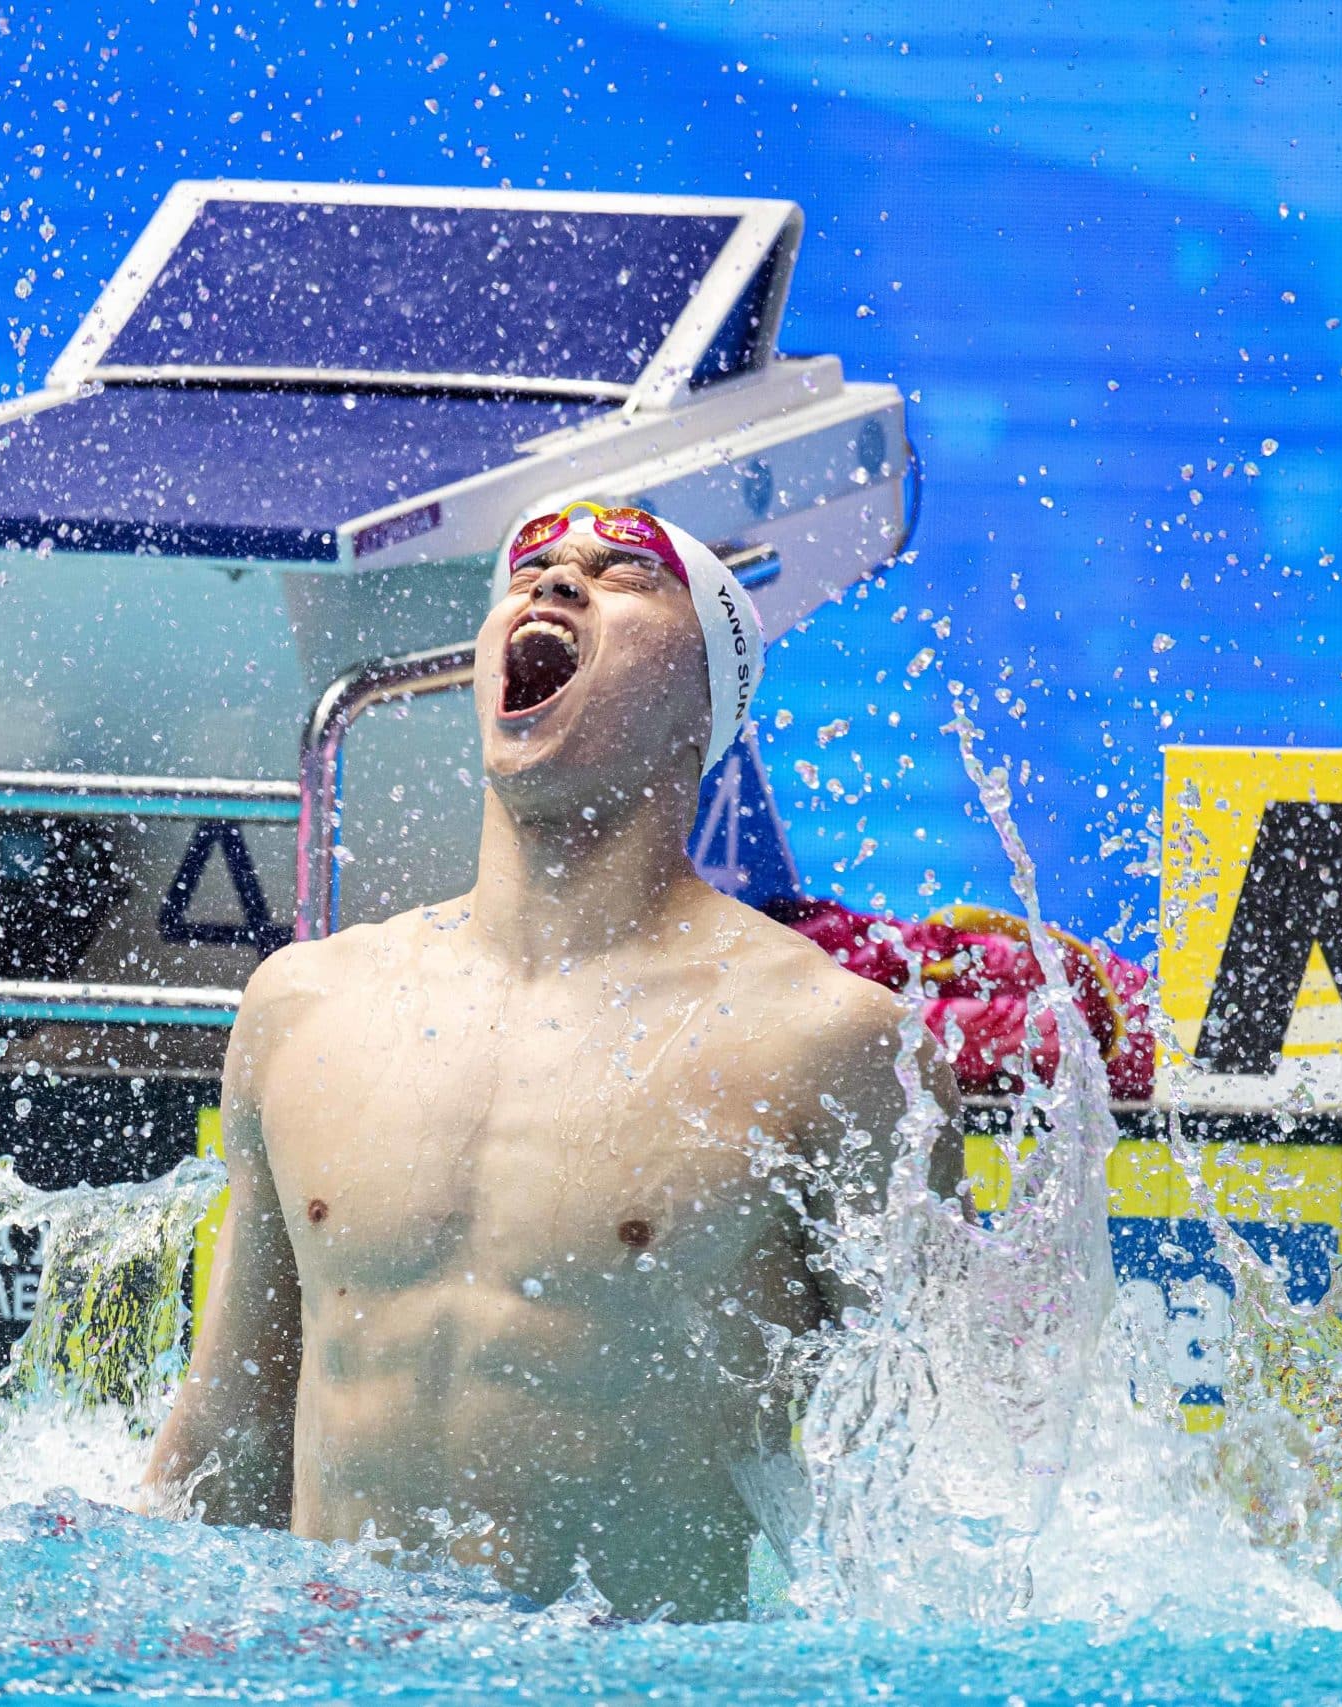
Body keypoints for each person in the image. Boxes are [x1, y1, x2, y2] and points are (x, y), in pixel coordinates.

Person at [141, 502, 962, 1621]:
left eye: (622, 573)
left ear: (706, 699)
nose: (556, 584)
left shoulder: (826, 1041)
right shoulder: (306, 1008)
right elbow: (229, 1426)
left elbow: (948, 1480)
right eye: (528, 570)